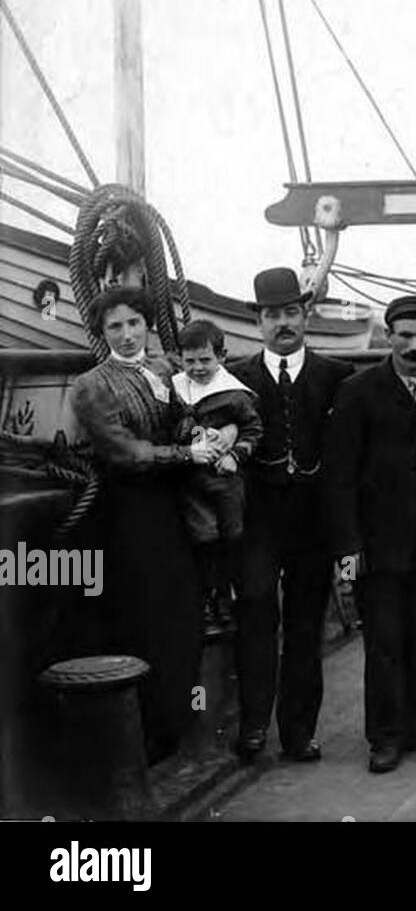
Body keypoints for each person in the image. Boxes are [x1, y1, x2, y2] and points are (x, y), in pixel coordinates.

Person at [68, 287, 222, 761]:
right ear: (102, 333)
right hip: (132, 511)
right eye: (115, 326)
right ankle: (151, 733)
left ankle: (176, 720)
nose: (128, 334)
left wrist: (203, 434)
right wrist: (186, 453)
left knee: (183, 615)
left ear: (147, 325)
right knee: (146, 618)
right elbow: (125, 453)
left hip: (177, 505)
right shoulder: (92, 385)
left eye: (135, 323)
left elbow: (185, 418)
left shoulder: (164, 370)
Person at [327, 296, 416, 774]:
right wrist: (348, 547)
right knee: (384, 641)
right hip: (376, 542)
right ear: (388, 336)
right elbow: (340, 476)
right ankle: (385, 736)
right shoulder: (358, 391)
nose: (413, 345)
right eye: (404, 336)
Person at [227, 268, 353, 763]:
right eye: (272, 315)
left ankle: (299, 732)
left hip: (312, 521)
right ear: (258, 321)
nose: (283, 323)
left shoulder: (336, 378)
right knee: (256, 613)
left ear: (305, 316)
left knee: (306, 627)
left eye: (291, 313)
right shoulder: (235, 379)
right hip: (257, 521)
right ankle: (254, 727)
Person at [172, 318, 263, 637]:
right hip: (190, 478)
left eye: (205, 360)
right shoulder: (176, 390)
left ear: (221, 357)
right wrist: (198, 436)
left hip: (225, 479)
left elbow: (254, 428)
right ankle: (210, 598)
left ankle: (231, 597)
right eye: (190, 361)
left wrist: (235, 454)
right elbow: (175, 429)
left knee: (233, 535)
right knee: (203, 536)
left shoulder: (234, 394)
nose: (197, 368)